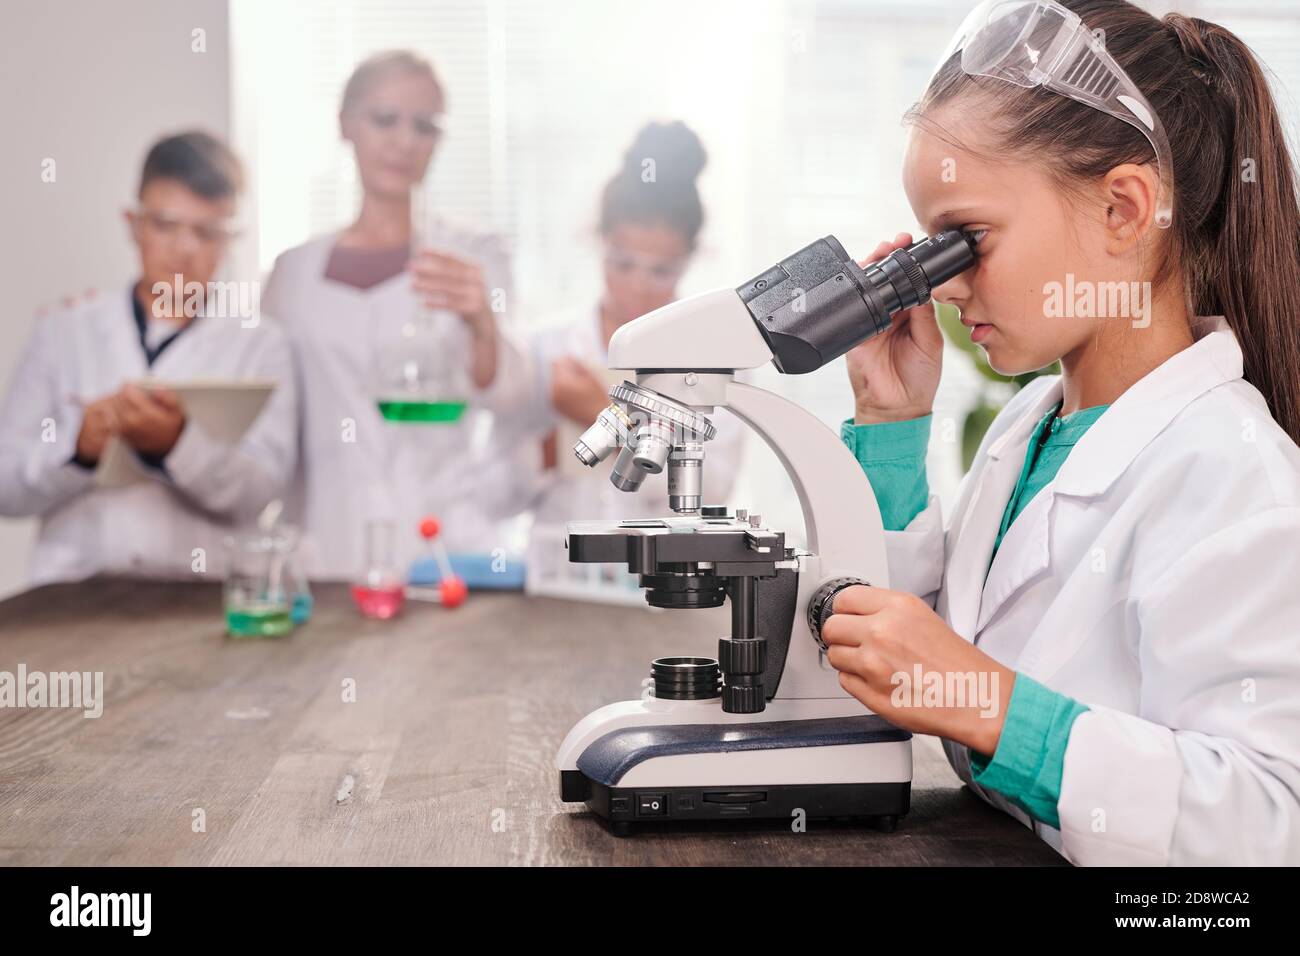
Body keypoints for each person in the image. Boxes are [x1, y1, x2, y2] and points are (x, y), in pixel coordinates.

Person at [823, 0, 1300, 865]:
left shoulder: (1238, 479)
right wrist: (892, 425)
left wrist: (995, 708)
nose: (939, 286)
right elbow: (926, 654)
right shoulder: (1030, 428)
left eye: (964, 240)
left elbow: (1271, 823)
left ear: (1124, 210)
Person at [262, 50, 537, 580]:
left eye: (425, 126)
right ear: (346, 125)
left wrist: (482, 320)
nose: (405, 142)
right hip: (328, 544)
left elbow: (510, 395)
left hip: (442, 542)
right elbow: (270, 418)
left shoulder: (475, 255)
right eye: (385, 119)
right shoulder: (290, 274)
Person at [0, 131, 298, 585]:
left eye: (207, 232)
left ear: (229, 238)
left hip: (201, 598)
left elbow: (262, 494)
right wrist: (79, 448)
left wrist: (177, 445)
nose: (184, 249)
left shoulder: (262, 344)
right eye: (165, 225)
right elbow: (6, 487)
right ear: (133, 223)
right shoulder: (63, 330)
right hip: (70, 601)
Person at [503, 121, 745, 543]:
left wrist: (602, 415)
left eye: (660, 271)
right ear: (599, 243)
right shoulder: (545, 349)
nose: (638, 285)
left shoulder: (714, 363)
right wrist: (537, 454)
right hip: (558, 576)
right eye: (623, 263)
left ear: (690, 259)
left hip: (659, 590)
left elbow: (712, 493)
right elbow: (495, 498)